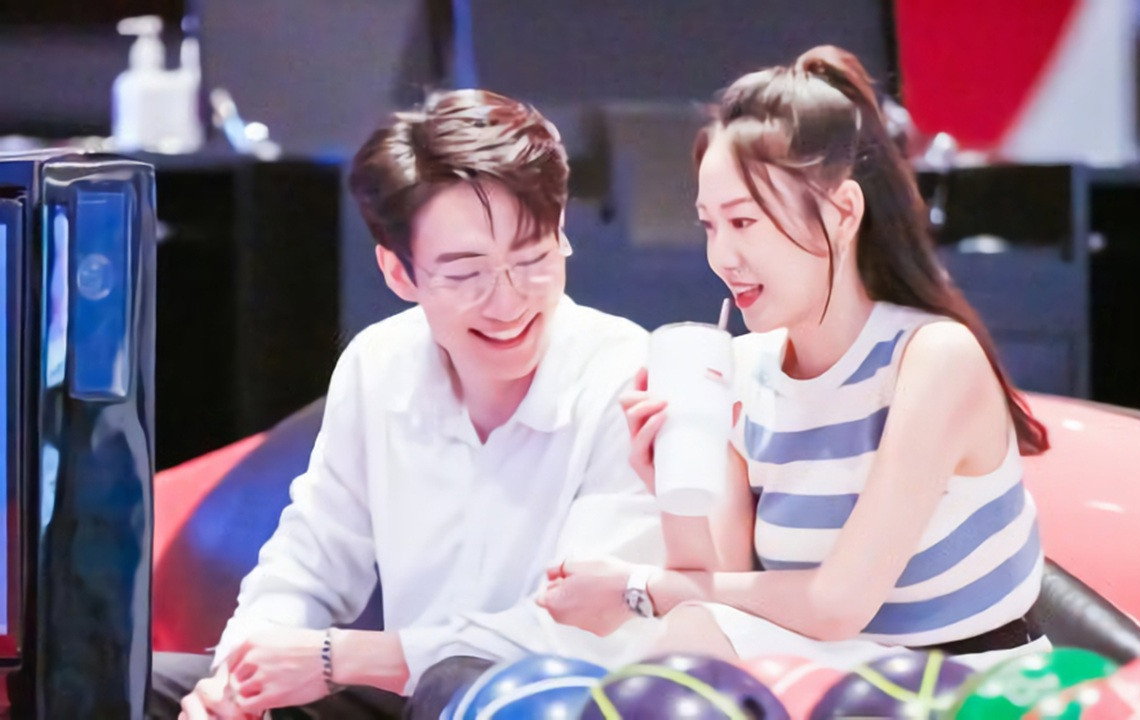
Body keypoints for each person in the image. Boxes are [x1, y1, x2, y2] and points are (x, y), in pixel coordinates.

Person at [151, 88, 660, 720]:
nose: (508, 303)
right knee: (139, 687)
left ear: (560, 238)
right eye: (465, 273)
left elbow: (584, 636)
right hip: (402, 690)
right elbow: (309, 561)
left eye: (533, 260)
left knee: (458, 683)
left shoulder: (624, 374)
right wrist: (238, 678)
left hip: (551, 701)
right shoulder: (380, 363)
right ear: (399, 273)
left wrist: (344, 657)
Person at [540, 45, 1052, 668]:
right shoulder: (743, 367)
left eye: (743, 222)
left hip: (972, 684)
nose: (722, 257)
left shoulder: (934, 357)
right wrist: (675, 486)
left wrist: (635, 588)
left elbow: (837, 604)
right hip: (835, 678)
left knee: (690, 645)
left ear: (842, 212)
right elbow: (721, 587)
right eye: (709, 226)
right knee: (694, 639)